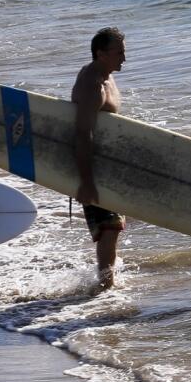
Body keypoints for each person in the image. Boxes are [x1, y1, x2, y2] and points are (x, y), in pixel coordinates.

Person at [72, 27, 127, 290]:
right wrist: (86, 181)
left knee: (113, 226)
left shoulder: (107, 76)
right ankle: (105, 289)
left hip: (107, 166)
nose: (124, 58)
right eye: (119, 53)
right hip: (91, 166)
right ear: (101, 53)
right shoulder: (93, 84)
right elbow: (82, 133)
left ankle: (106, 284)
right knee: (109, 227)